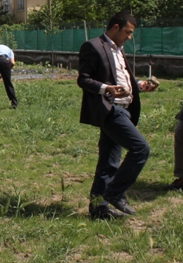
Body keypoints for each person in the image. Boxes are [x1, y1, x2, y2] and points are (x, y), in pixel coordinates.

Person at [77, 12, 158, 220]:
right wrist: (106, 89)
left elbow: (121, 78)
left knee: (108, 162)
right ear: (115, 27)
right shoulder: (93, 46)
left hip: (124, 108)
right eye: (127, 32)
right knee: (140, 148)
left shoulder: (119, 50)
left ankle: (98, 210)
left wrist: (139, 85)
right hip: (110, 109)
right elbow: (83, 80)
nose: (130, 37)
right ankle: (115, 192)